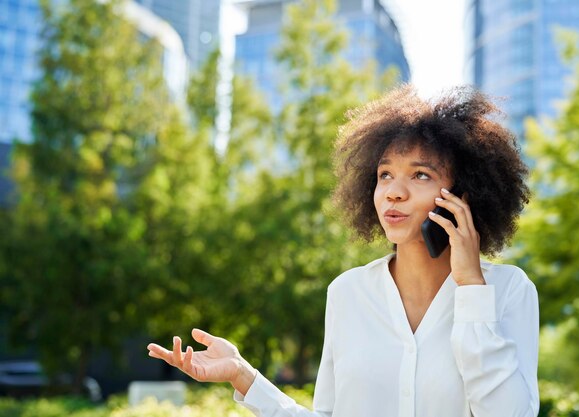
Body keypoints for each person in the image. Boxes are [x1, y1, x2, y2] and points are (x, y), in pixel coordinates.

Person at [147, 85, 539, 417]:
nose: (394, 191)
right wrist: (242, 375)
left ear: (462, 195)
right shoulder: (347, 293)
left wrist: (471, 287)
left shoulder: (507, 291)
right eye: (385, 174)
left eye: (421, 175)